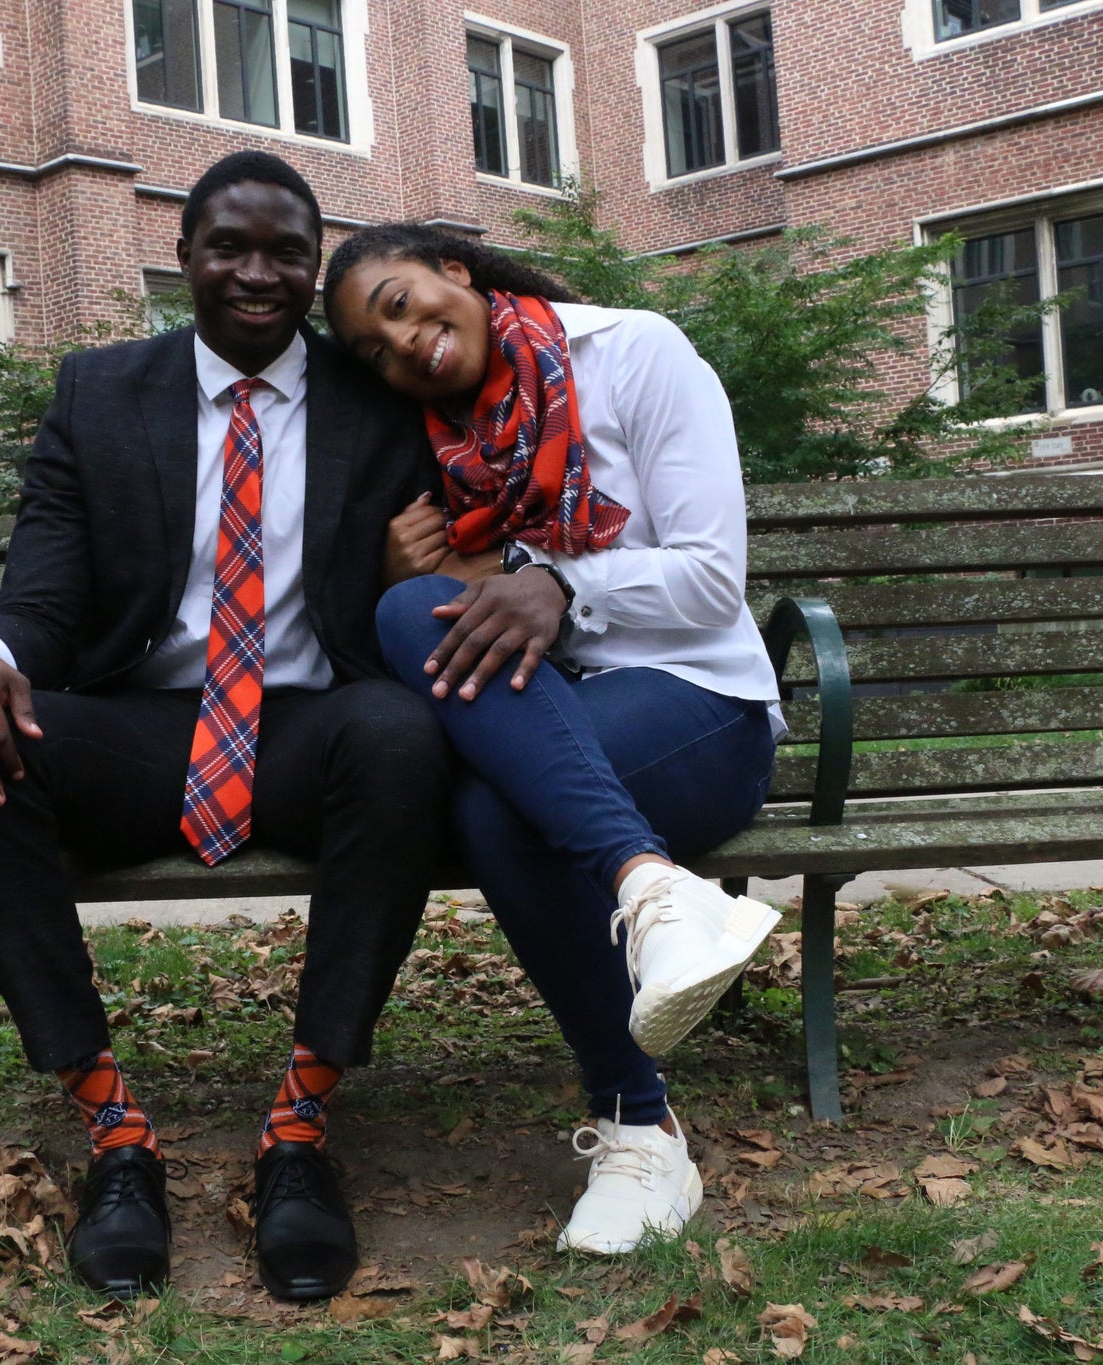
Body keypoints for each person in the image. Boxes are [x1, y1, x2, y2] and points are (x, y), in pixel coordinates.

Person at [0, 154, 446, 1303]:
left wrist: (428, 573)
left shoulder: (376, 399)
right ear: (184, 256)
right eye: (228, 248)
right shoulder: (101, 391)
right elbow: (43, 589)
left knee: (399, 735)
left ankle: (298, 1131)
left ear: (314, 267)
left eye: (285, 253)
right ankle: (114, 1135)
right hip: (144, 728)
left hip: (309, 725)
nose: (256, 273)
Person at [322, 225, 785, 1255]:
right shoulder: (439, 440)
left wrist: (558, 587)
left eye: (400, 305)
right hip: (549, 720)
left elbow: (714, 577)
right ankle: (652, 896)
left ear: (454, 271)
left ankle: (635, 1120)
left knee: (501, 810)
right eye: (374, 351)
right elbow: (443, 623)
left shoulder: (634, 352)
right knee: (411, 623)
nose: (404, 346)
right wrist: (409, 579)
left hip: (700, 705)